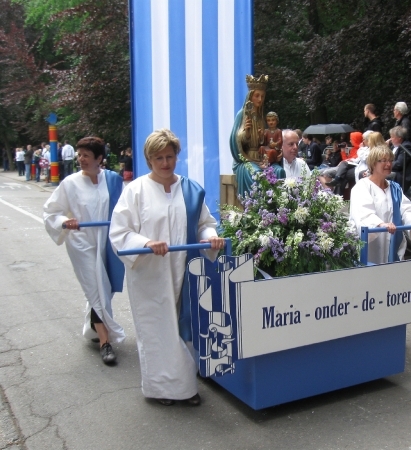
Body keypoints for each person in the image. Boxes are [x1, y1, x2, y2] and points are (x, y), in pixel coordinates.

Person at [110, 129, 225, 407]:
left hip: (185, 269)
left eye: (170, 156)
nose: (165, 163)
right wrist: (146, 241)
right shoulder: (135, 191)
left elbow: (204, 223)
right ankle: (162, 388)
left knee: (183, 326)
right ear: (149, 159)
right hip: (150, 274)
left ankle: (185, 385)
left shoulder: (191, 189)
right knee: (157, 330)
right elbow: (120, 232)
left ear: (177, 156)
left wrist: (211, 237)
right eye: (159, 157)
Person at [43, 136, 125, 364]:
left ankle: (93, 327)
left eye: (86, 156)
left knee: (103, 288)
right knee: (97, 286)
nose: (80, 159)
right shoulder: (70, 183)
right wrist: (64, 222)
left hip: (107, 241)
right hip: (81, 242)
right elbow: (51, 211)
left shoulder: (112, 181)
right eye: (79, 155)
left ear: (99, 158)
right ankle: (105, 342)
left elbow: (125, 210)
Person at [349, 144, 411, 264]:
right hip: (371, 246)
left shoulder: (395, 188)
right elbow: (363, 213)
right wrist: (380, 224)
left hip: (392, 243)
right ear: (373, 163)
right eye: (383, 161)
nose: (389, 164)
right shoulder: (362, 187)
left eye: (390, 160)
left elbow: (406, 210)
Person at [230, 74, 285, 197]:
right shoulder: (242, 114)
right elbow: (235, 139)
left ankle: (278, 206)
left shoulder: (260, 117)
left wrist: (265, 140)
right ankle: (256, 209)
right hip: (246, 159)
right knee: (258, 174)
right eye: (257, 96)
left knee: (279, 171)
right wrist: (246, 133)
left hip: (261, 157)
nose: (260, 99)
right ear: (250, 96)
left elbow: (264, 143)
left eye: (262, 96)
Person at [387, 126, 411, 194]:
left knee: (378, 175)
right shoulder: (393, 146)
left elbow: (399, 164)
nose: (390, 139)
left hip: (401, 175)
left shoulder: (406, 146)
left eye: (392, 137)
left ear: (399, 138)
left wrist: (385, 165)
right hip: (393, 171)